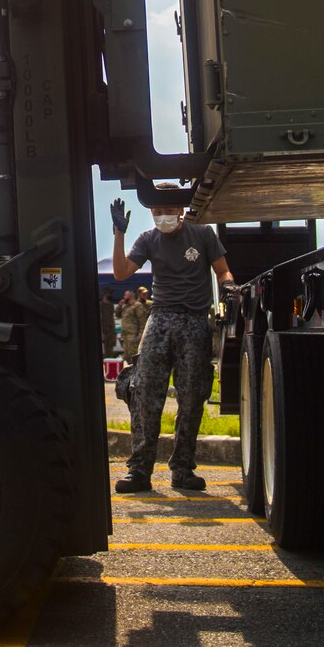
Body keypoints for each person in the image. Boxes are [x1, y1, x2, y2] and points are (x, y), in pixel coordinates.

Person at [110, 191, 234, 494]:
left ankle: (182, 470)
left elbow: (222, 270)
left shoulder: (202, 234)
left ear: (180, 209)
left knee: (192, 396)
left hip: (194, 319)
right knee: (144, 393)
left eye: (168, 208)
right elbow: (121, 272)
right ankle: (139, 471)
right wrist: (118, 234)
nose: (162, 214)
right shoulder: (148, 238)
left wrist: (229, 286)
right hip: (160, 318)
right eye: (157, 209)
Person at [117, 286, 149, 363]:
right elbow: (118, 315)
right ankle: (129, 372)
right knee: (127, 355)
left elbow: (142, 320)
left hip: (133, 335)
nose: (124, 297)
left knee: (133, 355)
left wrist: (141, 333)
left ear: (130, 296)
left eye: (125, 295)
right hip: (125, 335)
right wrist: (119, 306)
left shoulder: (137, 306)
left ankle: (135, 372)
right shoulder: (125, 306)